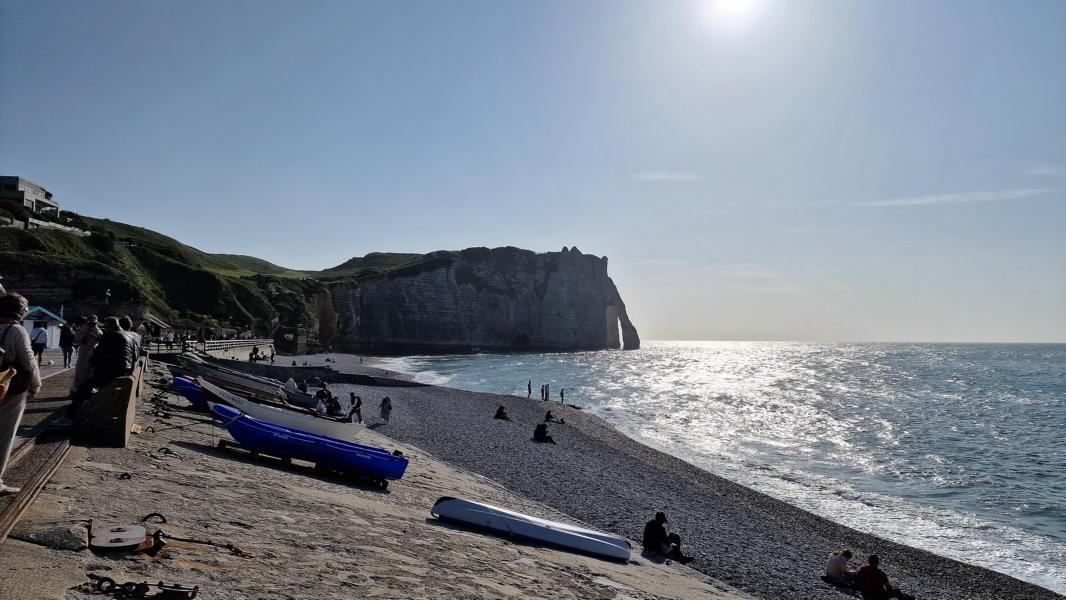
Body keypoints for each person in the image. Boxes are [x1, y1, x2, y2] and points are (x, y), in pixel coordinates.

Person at [0, 293, 42, 495]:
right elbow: (28, 360)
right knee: (5, 433)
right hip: (10, 386)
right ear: (18, 311)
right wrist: (36, 384)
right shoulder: (16, 330)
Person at [70, 317, 138, 416]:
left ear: (110, 326)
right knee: (89, 384)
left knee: (82, 388)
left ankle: (69, 417)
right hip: (126, 371)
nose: (104, 329)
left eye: (106, 326)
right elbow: (134, 356)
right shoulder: (129, 335)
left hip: (113, 372)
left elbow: (94, 359)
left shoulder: (109, 335)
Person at [71, 315, 102, 393]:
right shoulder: (81, 329)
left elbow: (101, 338)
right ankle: (77, 386)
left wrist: (95, 329)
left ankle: (91, 386)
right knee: (81, 369)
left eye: (95, 322)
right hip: (84, 350)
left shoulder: (97, 329)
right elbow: (77, 339)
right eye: (92, 321)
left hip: (94, 350)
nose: (93, 323)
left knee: (93, 369)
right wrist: (86, 328)